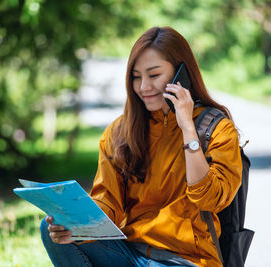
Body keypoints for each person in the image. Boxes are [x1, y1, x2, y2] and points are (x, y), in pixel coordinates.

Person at [40, 26, 242, 267]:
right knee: (52, 228)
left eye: (154, 75)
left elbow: (210, 200)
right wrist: (76, 222)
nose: (144, 87)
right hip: (130, 253)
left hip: (185, 260)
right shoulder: (119, 132)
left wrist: (188, 129)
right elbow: (108, 204)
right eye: (136, 77)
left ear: (182, 74)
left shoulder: (217, 129)